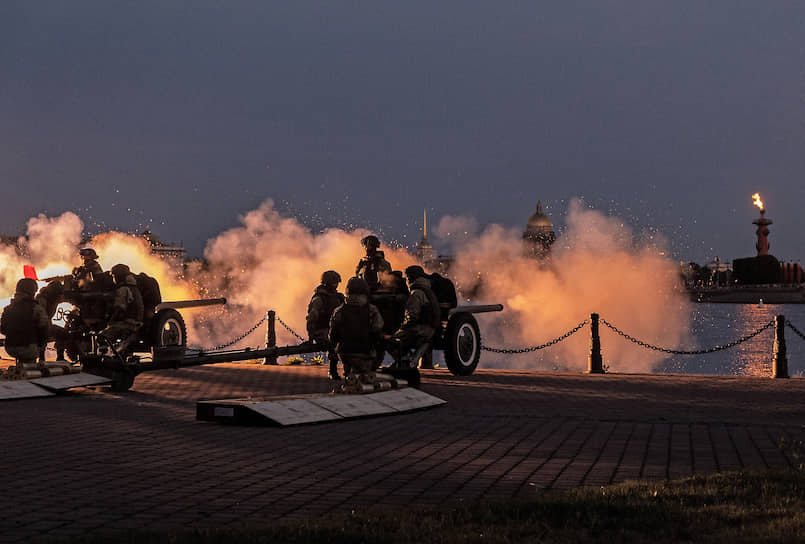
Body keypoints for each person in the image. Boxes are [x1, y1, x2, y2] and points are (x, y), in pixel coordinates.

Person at [329, 277, 384, 380]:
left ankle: (347, 372)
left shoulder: (339, 310)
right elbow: (377, 329)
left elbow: (333, 334)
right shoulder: (371, 310)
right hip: (366, 352)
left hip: (345, 353)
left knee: (350, 374)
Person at [389, 265, 441, 365]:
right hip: (430, 329)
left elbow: (412, 316)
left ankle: (404, 360)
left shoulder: (416, 293)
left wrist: (402, 327)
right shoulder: (427, 289)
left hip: (420, 330)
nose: (407, 280)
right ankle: (410, 359)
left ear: (412, 277)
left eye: (408, 277)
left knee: (390, 340)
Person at [306, 270, 345, 380]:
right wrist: (311, 336)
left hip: (335, 330)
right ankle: (333, 370)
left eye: (337, 282)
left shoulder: (339, 298)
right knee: (333, 343)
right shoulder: (319, 299)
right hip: (322, 331)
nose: (336, 285)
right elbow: (311, 319)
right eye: (334, 282)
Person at [1, 278, 50, 366]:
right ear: (32, 291)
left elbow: (3, 329)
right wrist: (41, 344)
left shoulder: (8, 308)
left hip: (9, 348)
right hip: (28, 348)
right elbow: (44, 328)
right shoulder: (36, 308)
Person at [99, 264, 144, 357]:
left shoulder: (123, 289)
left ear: (119, 277)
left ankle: (103, 357)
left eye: (114, 276)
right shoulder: (133, 287)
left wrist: (110, 321)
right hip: (135, 324)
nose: (113, 279)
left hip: (127, 324)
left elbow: (119, 309)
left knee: (101, 337)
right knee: (122, 347)